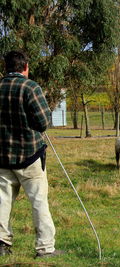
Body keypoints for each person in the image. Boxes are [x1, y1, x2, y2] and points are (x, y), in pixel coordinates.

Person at [0, 51, 63, 258]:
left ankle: (2, 244)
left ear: (6, 67)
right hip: (29, 156)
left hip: (2, 158)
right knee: (38, 201)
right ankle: (45, 248)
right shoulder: (30, 87)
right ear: (25, 67)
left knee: (2, 202)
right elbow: (43, 122)